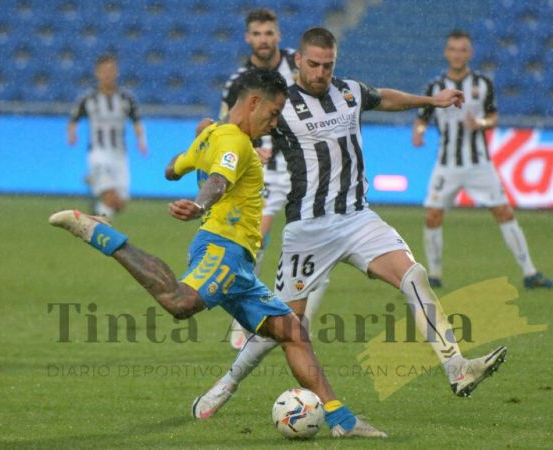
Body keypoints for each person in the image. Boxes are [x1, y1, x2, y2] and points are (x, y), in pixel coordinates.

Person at [50, 68, 386, 438]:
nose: (275, 123)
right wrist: (200, 203)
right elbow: (219, 180)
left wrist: (201, 148)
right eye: (273, 114)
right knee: (180, 303)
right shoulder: (235, 142)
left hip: (238, 261)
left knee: (292, 332)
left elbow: (170, 169)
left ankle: (342, 421)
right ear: (254, 102)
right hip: (222, 247)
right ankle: (103, 234)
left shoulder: (213, 136)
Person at [191, 27, 508, 420]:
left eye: (328, 65)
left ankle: (456, 367)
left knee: (415, 276)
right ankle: (228, 382)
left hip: (358, 218)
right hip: (308, 228)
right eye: (313, 64)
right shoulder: (282, 104)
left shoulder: (348, 92)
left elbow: (385, 97)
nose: (321, 72)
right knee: (286, 322)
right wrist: (209, 130)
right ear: (299, 62)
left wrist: (432, 100)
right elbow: (237, 125)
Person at [412, 29, 553, 290]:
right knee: (433, 216)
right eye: (453, 49)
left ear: (470, 53)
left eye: (463, 49)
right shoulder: (434, 87)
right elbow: (422, 118)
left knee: (503, 212)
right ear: (447, 52)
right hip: (446, 164)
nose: (458, 54)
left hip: (479, 163)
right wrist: (419, 133)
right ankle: (433, 275)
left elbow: (493, 118)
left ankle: (530, 273)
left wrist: (478, 123)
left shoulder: (483, 84)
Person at [219, 8, 330, 350]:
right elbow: (227, 126)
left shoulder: (299, 74)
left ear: (278, 36)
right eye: (257, 34)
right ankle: (245, 318)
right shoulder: (237, 82)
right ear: (247, 38)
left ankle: (300, 316)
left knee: (317, 243)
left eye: (269, 33)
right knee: (256, 243)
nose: (263, 40)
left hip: (302, 172)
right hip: (261, 175)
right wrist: (251, 145)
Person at [67, 54, 148, 219]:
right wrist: (72, 134)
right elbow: (74, 119)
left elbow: (136, 121)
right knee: (110, 196)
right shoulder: (88, 99)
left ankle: (92, 217)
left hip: (119, 153)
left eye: (111, 70)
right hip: (98, 152)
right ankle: (97, 178)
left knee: (120, 203)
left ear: (116, 72)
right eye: (104, 70)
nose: (108, 74)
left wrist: (141, 141)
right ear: (97, 73)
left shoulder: (126, 99)